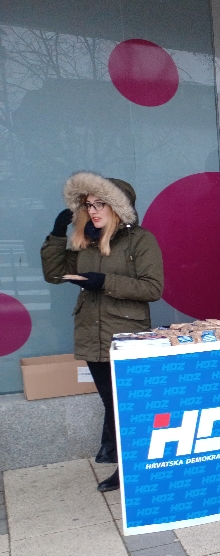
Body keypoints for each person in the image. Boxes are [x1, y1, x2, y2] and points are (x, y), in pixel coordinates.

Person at [41, 172, 164, 492]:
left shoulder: (141, 240)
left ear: (117, 206)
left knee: (126, 406)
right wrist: (57, 234)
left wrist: (104, 282)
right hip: (92, 334)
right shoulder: (86, 240)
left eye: (100, 204)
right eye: (89, 205)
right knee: (112, 404)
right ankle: (125, 463)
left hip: (125, 335)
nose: (93, 211)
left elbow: (153, 288)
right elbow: (54, 274)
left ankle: (130, 468)